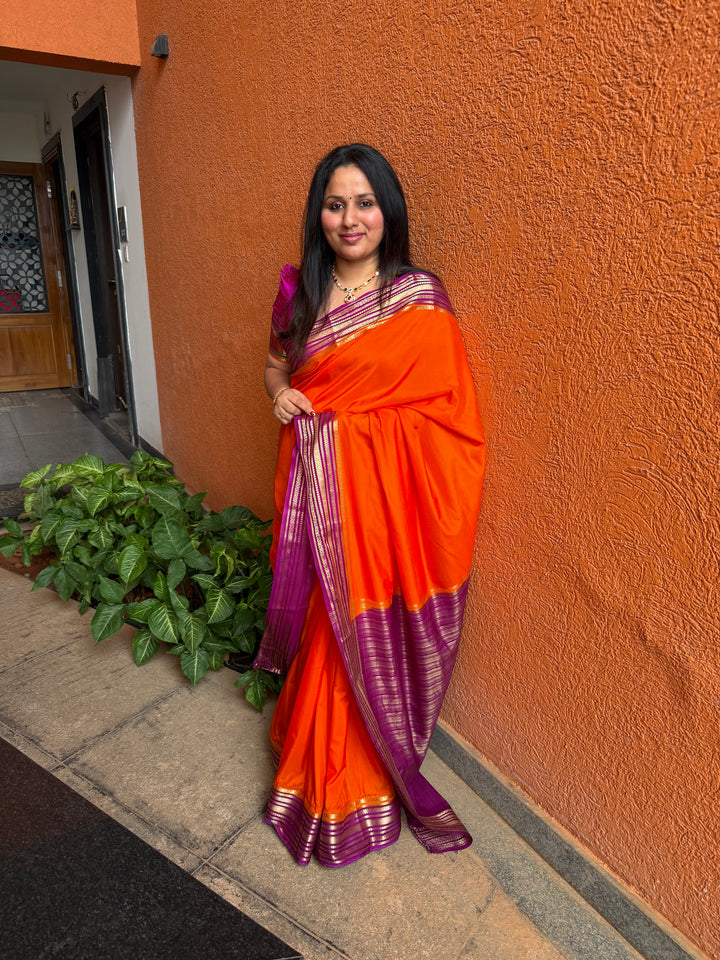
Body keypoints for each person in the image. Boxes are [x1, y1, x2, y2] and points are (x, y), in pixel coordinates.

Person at [255, 143, 486, 867]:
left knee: (355, 633)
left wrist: (354, 435)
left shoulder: (417, 298)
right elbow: (273, 365)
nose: (349, 218)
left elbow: (451, 418)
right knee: (327, 634)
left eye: (363, 202)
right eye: (334, 203)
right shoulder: (298, 292)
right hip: (318, 499)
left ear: (387, 210)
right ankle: (317, 772)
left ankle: (356, 773)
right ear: (316, 213)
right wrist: (280, 395)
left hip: (382, 512)